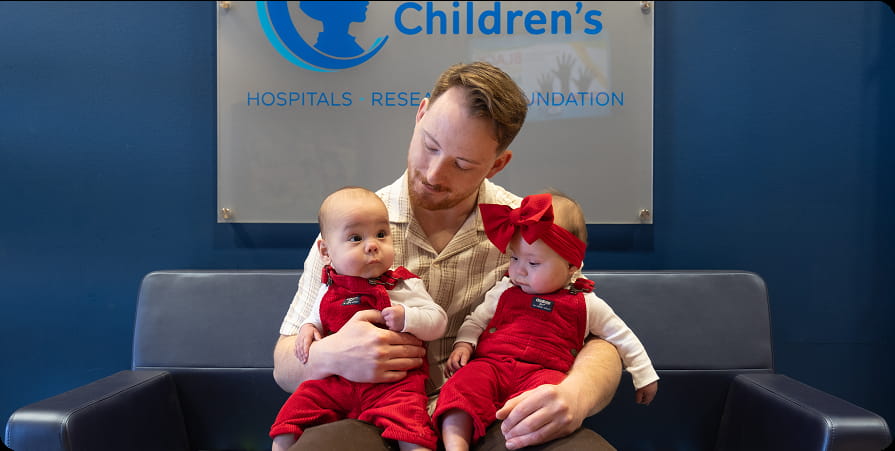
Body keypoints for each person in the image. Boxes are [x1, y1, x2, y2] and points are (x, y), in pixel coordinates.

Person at [273, 61, 623, 450]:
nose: (434, 173)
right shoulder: (349, 230)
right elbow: (284, 364)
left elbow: (601, 341)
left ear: (497, 165)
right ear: (420, 114)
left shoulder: (531, 230)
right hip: (366, 411)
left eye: (462, 164)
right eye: (430, 145)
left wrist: (577, 393)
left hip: (495, 410)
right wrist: (332, 355)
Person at [434, 192, 659, 450]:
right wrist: (465, 343)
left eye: (533, 263)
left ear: (572, 265)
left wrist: (644, 376)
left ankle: (513, 433)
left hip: (541, 377)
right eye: (515, 258)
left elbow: (621, 336)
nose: (519, 270)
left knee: (540, 410)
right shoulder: (504, 289)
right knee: (461, 388)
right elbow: (477, 319)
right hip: (492, 365)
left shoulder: (586, 302)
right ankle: (455, 445)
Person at [270, 186, 447, 451]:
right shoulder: (329, 288)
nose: (372, 245)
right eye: (355, 238)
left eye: (381, 234)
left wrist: (407, 317)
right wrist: (309, 328)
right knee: (292, 415)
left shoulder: (401, 284)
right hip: (336, 382)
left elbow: (437, 321)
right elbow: (316, 317)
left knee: (411, 428)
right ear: (326, 251)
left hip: (394, 384)